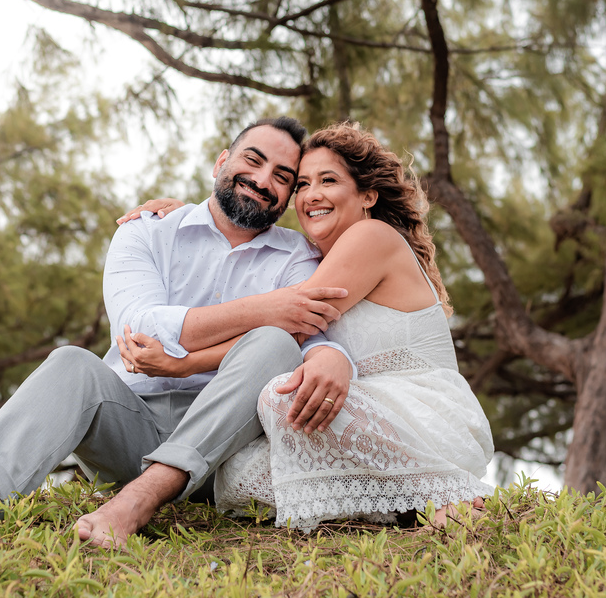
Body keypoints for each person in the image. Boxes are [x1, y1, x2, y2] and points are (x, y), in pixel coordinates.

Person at [0, 117, 358, 549]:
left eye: (282, 176)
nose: (262, 180)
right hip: (130, 425)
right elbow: (142, 329)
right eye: (252, 160)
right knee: (72, 362)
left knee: (275, 343)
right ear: (222, 162)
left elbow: (305, 337)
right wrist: (265, 309)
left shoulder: (297, 257)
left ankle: (139, 502)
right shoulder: (146, 232)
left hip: (230, 444)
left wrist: (328, 354)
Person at [118, 121, 495, 531]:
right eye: (301, 185)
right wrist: (195, 213)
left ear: (367, 195)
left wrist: (185, 363)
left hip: (422, 414)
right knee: (235, 471)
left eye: (328, 181)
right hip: (361, 410)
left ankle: (448, 492)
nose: (311, 195)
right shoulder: (313, 259)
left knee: (281, 398)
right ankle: (389, 507)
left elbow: (291, 327)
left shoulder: (370, 237)